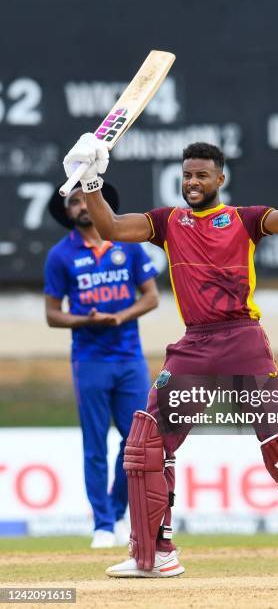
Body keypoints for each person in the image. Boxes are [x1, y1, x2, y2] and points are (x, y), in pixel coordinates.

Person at [61, 124, 278, 576]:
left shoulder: (245, 219)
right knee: (147, 443)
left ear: (219, 180)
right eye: (187, 175)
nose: (192, 183)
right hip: (194, 347)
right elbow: (108, 226)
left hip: (243, 340)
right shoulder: (167, 222)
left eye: (201, 176)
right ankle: (155, 554)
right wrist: (91, 183)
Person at [44, 182, 159, 548]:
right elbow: (51, 315)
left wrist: (120, 315)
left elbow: (152, 297)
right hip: (89, 359)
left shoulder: (127, 244)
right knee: (95, 444)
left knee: (135, 443)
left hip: (129, 358)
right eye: (73, 202)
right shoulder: (60, 256)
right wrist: (85, 320)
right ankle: (102, 524)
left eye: (85, 199)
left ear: (102, 203)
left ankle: (119, 511)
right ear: (66, 212)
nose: (80, 206)